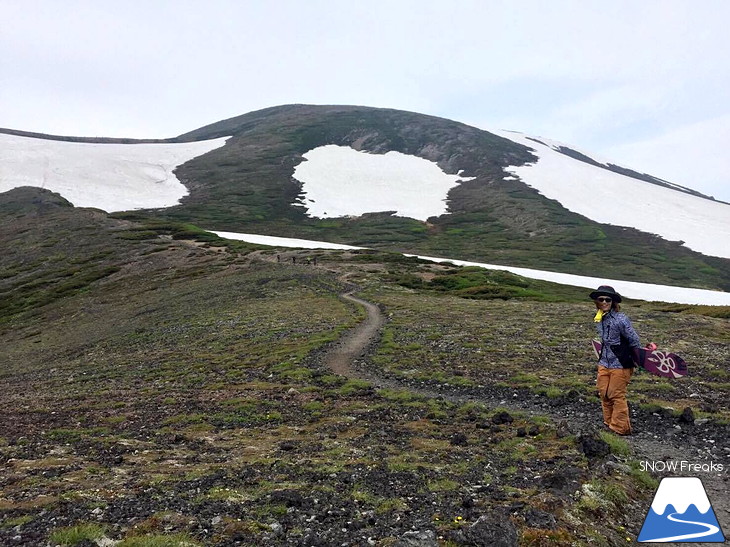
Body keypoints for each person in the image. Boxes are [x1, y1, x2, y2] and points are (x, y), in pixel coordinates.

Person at [590, 285, 641, 436]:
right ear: (597, 302)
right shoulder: (599, 318)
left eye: (608, 299)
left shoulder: (621, 319)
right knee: (604, 393)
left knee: (616, 395)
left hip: (620, 363)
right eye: (601, 299)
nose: (604, 302)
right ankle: (609, 422)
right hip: (604, 362)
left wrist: (636, 358)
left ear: (613, 302)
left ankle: (620, 428)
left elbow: (634, 340)